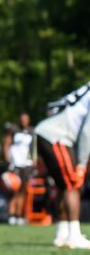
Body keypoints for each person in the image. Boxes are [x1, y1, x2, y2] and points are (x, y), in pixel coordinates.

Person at [36, 81, 90, 249]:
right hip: (57, 136)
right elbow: (88, 132)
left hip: (49, 133)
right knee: (72, 184)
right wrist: (82, 164)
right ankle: (74, 235)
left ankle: (63, 233)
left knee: (63, 185)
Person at [3, 112, 35, 225]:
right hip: (15, 164)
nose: (24, 121)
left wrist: (33, 161)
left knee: (23, 191)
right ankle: (11, 214)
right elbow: (6, 144)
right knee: (14, 190)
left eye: (26, 119)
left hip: (26, 165)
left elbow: (33, 149)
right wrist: (8, 159)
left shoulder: (31, 131)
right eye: (22, 119)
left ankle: (19, 215)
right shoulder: (14, 130)